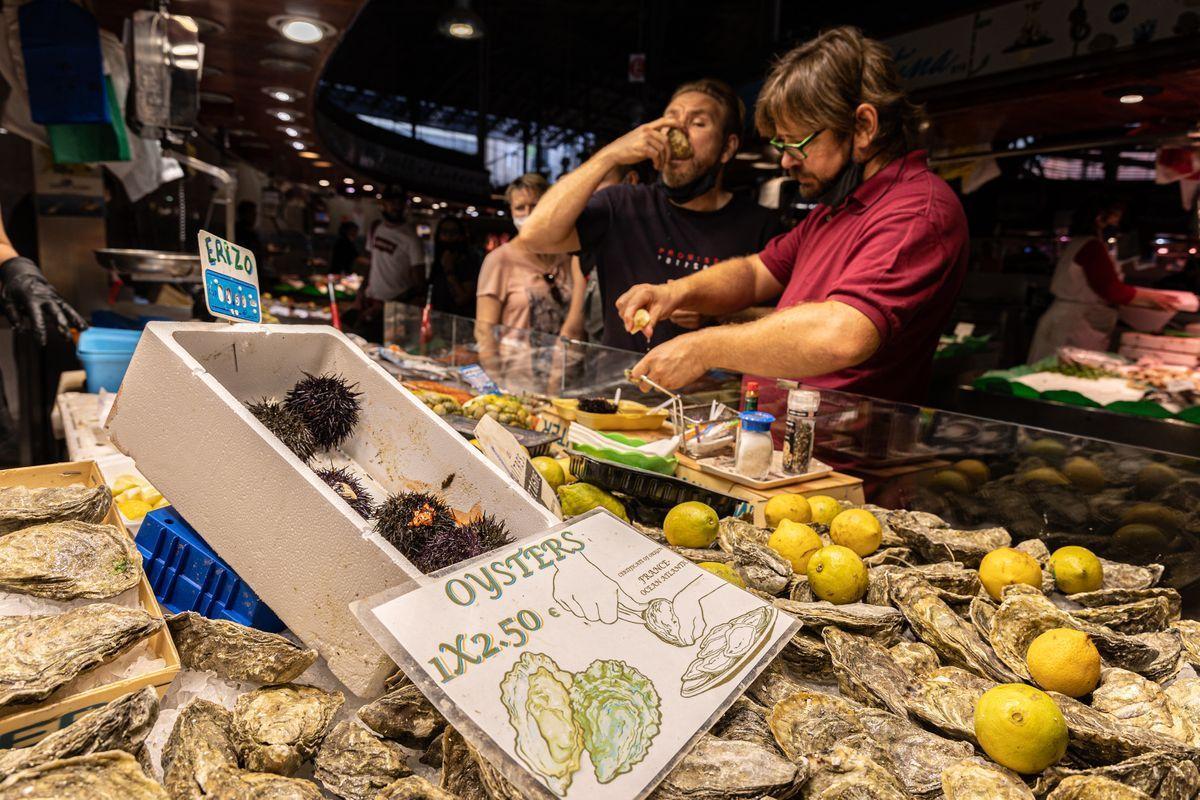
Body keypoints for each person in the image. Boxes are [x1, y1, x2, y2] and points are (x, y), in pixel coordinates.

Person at [613, 27, 969, 407]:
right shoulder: (837, 209)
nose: (785, 161)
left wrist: (703, 347)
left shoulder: (915, 211)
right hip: (784, 451)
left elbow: (841, 334)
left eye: (796, 144)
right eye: (780, 145)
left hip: (846, 461)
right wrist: (676, 292)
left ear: (864, 127)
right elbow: (754, 273)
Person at [517, 78, 780, 352]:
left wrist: (717, 314)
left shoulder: (759, 225)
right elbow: (535, 236)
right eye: (671, 118)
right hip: (620, 390)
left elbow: (784, 319)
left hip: (712, 393)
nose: (677, 130)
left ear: (727, 147)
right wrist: (611, 155)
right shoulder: (622, 204)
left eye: (698, 123)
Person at [1028, 197, 1190, 362]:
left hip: (1064, 319)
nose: (1117, 222)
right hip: (1074, 324)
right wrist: (1152, 298)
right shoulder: (1092, 246)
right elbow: (1111, 290)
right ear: (1099, 217)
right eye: (1115, 215)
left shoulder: (1078, 243)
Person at [476, 174, 585, 339]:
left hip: (565, 361)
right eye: (520, 207)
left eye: (535, 205)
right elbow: (484, 330)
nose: (528, 213)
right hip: (516, 362)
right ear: (511, 211)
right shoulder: (499, 260)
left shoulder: (567, 256)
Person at [363, 187, 426, 305]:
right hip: (371, 298)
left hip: (395, 304)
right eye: (392, 202)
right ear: (383, 204)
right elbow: (370, 264)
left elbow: (419, 283)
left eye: (400, 202)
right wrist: (360, 294)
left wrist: (393, 304)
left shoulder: (412, 238)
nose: (396, 206)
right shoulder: (375, 228)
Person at [429, 216, 480, 318]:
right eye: (444, 232)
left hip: (462, 323)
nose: (448, 236)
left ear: (461, 236)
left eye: (453, 232)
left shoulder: (469, 262)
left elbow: (462, 299)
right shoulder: (439, 261)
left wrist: (449, 269)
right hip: (439, 320)